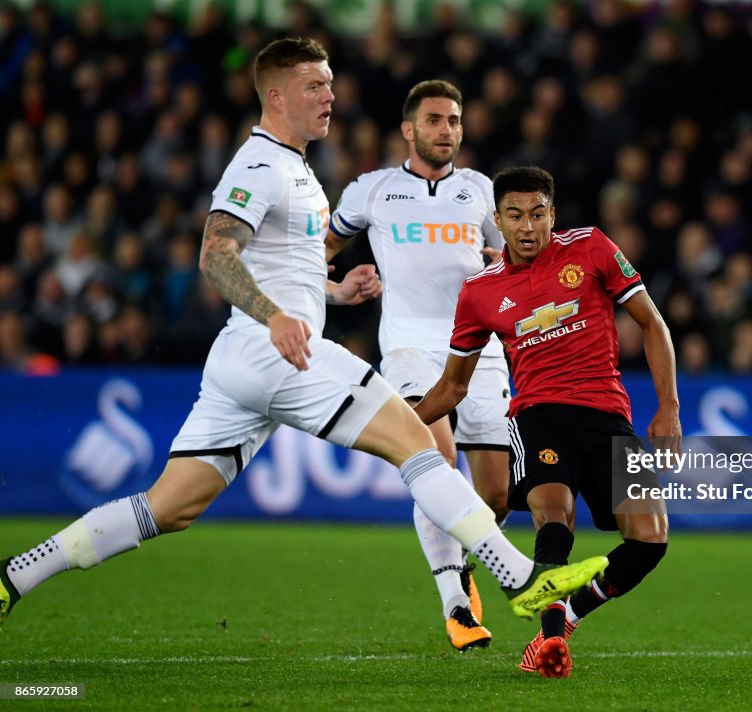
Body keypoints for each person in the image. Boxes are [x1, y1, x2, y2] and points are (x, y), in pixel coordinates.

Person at [0, 40, 607, 634]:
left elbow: (283, 266)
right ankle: (521, 579)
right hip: (273, 351)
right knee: (415, 441)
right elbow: (216, 255)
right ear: (276, 94)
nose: (330, 96)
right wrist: (276, 316)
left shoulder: (297, 167)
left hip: (247, 358)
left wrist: (331, 294)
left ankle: (15, 576)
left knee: (168, 508)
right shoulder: (259, 165)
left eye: (331, 84)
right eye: (315, 85)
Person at [415, 166, 680, 678]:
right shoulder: (480, 293)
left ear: (553, 215)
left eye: (538, 214)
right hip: (539, 415)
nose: (527, 226)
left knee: (650, 539)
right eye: (515, 215)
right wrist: (390, 423)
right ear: (497, 221)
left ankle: (566, 619)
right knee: (554, 515)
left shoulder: (592, 248)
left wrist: (668, 406)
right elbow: (452, 387)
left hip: (607, 414)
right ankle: (553, 643)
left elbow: (652, 322)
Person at [326, 79, 512, 652]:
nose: (446, 130)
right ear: (409, 129)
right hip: (409, 348)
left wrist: (504, 260)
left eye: (454, 120)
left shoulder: (481, 191)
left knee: (497, 498)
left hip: (480, 350)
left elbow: (519, 259)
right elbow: (317, 249)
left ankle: (468, 565)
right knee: (435, 458)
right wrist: (336, 288)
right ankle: (454, 601)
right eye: (434, 120)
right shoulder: (373, 190)